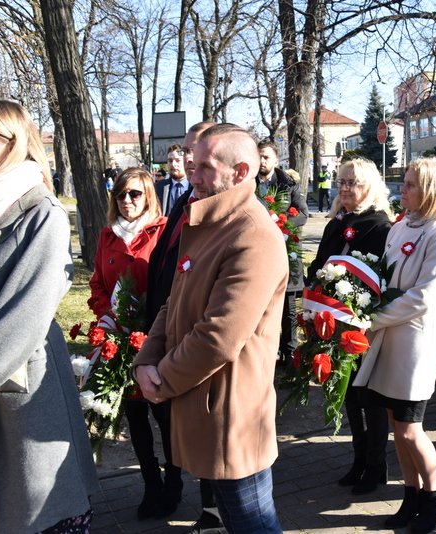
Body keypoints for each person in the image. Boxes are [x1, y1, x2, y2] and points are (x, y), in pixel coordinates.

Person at [133, 123, 288, 533]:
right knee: (237, 521)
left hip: (232, 416)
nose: (192, 174)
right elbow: (174, 302)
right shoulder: (211, 222)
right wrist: (147, 359)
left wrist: (161, 379)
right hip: (206, 404)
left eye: (204, 166)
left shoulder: (252, 234)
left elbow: (218, 337)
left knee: (252, 523)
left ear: (240, 172)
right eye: (192, 164)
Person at [0, 99, 99, 534]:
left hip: (20, 384)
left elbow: (22, 318)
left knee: (36, 509)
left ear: (13, 142)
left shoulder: (43, 213)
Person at [353, 158, 436, 534]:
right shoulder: (400, 226)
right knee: (396, 425)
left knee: (411, 428)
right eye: (405, 182)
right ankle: (410, 495)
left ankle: (433, 496)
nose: (403, 188)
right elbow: (384, 279)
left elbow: (425, 296)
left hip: (415, 342)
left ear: (429, 191)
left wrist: (372, 318)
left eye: (412, 184)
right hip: (387, 340)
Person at [144, 121, 228, 532]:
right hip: (167, 326)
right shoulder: (184, 200)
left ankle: (214, 510)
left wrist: (168, 369)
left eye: (198, 152)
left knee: (207, 433)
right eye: (187, 151)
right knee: (176, 428)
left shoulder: (224, 213)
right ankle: (184, 491)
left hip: (197, 346)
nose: (190, 160)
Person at [88, 168, 178, 519]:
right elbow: (98, 283)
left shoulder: (164, 231)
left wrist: (154, 327)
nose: (127, 200)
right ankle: (151, 484)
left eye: (135, 193)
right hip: (120, 340)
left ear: (148, 196)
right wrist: (107, 317)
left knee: (164, 416)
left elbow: (175, 284)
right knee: (136, 418)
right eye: (121, 194)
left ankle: (174, 483)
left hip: (156, 339)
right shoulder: (107, 235)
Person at [305, 159, 392, 495]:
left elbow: (380, 276)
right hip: (332, 323)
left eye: (352, 183)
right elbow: (319, 264)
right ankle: (359, 459)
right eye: (341, 181)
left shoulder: (379, 226)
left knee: (370, 397)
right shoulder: (336, 223)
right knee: (350, 397)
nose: (344, 188)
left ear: (369, 187)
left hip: (361, 326)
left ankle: (376, 464)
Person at [257, 141, 309, 366]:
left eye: (266, 157)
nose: (261, 161)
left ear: (276, 161)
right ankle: (265, 354)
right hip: (258, 254)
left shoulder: (289, 184)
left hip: (287, 251)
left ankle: (289, 354)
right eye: (259, 156)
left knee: (288, 306)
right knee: (262, 306)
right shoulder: (248, 184)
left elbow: (303, 214)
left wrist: (281, 225)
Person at [155, 143, 189, 216]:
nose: (173, 164)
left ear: (186, 162)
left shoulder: (196, 188)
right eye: (170, 161)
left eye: (178, 160)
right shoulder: (157, 188)